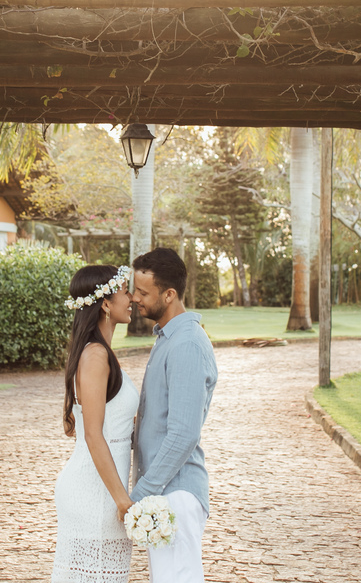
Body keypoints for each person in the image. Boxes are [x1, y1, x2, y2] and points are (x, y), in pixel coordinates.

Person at [130, 247, 218, 583]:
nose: (134, 298)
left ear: (169, 295)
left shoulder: (186, 345)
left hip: (174, 494)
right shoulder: (168, 338)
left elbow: (183, 434)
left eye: (142, 292)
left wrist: (141, 493)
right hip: (163, 492)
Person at [52, 264, 138, 583]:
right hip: (94, 491)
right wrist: (121, 499)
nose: (130, 299)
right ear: (105, 303)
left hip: (105, 487)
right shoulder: (95, 356)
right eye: (124, 291)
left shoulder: (101, 353)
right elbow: (92, 434)